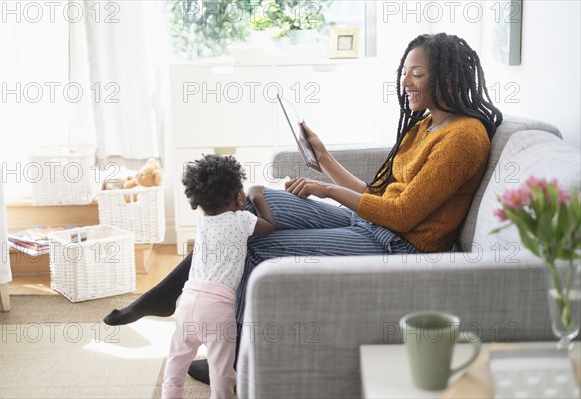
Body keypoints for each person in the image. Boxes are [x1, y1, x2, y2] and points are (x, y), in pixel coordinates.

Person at [104, 32, 502, 383]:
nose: (405, 82)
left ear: (448, 77)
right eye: (405, 72)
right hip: (373, 224)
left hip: (400, 244)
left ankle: (233, 359)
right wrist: (323, 156)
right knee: (257, 199)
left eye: (417, 73)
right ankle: (172, 292)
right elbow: (377, 194)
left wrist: (326, 190)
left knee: (255, 245)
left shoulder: (463, 138)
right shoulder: (425, 124)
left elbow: (401, 216)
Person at [161, 154, 274, 398]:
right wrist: (257, 196)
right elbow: (269, 226)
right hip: (217, 310)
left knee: (176, 363)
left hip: (188, 301)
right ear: (239, 197)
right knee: (222, 374)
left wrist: (244, 196)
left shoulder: (203, 221)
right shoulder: (242, 219)